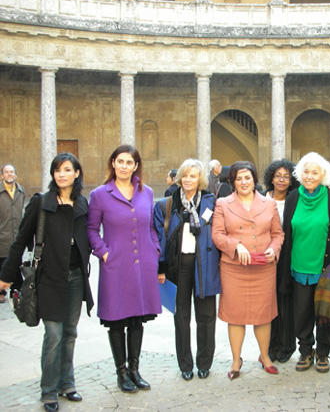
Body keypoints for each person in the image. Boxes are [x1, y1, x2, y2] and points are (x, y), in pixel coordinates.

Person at [0, 153, 93, 412]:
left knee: (71, 332)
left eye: (66, 169)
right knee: (53, 335)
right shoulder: (41, 203)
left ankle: (67, 383)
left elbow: (89, 236)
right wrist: (6, 277)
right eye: (56, 170)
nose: (61, 174)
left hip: (75, 276)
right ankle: (48, 390)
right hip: (49, 278)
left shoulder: (82, 203)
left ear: (76, 173)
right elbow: (20, 241)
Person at [87, 145, 161, 394]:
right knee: (117, 320)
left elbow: (151, 225)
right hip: (115, 265)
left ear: (136, 166)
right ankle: (121, 372)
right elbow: (90, 229)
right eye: (120, 161)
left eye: (129, 162)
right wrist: (104, 252)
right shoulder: (100, 194)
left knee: (137, 320)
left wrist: (155, 249)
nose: (124, 167)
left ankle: (135, 370)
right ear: (112, 164)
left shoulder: (146, 192)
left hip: (143, 265)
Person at [211, 161, 284, 380]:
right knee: (236, 316)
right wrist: (236, 246)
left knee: (263, 315)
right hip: (235, 268)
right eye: (239, 178)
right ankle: (236, 360)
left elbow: (278, 234)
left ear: (254, 179)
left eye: (248, 177)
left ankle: (265, 356)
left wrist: (274, 249)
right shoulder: (223, 203)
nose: (244, 182)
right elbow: (217, 234)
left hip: (263, 267)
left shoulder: (268, 204)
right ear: (233, 181)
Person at [279, 152, 330, 373]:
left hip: (325, 267)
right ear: (300, 174)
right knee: (302, 312)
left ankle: (323, 353)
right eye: (306, 172)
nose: (309, 176)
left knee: (324, 312)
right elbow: (286, 232)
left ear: (323, 175)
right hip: (298, 265)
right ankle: (305, 350)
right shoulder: (293, 198)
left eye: (314, 172)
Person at [154, 159, 221, 381]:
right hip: (178, 266)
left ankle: (204, 362)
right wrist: (161, 266)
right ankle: (185, 364)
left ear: (200, 179)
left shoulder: (211, 203)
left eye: (193, 176)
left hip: (205, 265)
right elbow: (160, 239)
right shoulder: (167, 205)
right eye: (185, 175)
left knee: (206, 316)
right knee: (181, 316)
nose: (188, 179)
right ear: (179, 178)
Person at [262, 159, 300, 363]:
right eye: (278, 176)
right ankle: (269, 344)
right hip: (266, 254)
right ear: (271, 177)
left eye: (286, 176)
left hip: (289, 254)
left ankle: (286, 345)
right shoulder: (262, 198)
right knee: (267, 301)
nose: (282, 180)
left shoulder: (295, 199)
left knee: (286, 299)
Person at [0, 163, 25, 303]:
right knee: (2, 263)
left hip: (16, 234)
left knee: (17, 262)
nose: (9, 174)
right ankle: (1, 290)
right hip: (2, 234)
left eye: (11, 172)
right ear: (2, 175)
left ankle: (16, 289)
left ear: (15, 175)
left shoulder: (21, 191)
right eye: (6, 172)